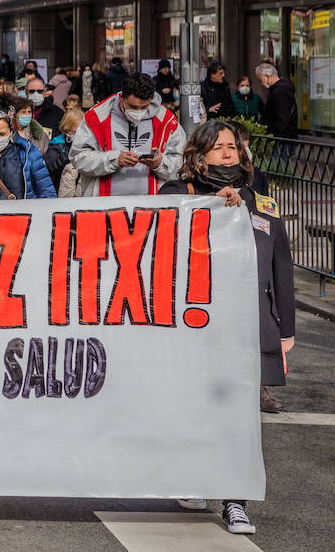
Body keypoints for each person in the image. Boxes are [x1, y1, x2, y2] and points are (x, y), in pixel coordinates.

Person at [160, 120, 294, 535]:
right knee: (197, 409)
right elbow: (157, 244)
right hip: (194, 326)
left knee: (241, 418)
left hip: (249, 325)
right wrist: (208, 208)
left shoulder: (261, 201)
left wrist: (285, 328)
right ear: (197, 155)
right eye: (218, 148)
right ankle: (197, 478)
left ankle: (235, 500)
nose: (227, 154)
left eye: (232, 147)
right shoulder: (175, 194)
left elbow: (281, 265)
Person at [70, 71, 184, 197]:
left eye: (144, 107)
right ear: (121, 98)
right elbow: (78, 157)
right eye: (133, 107)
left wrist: (160, 163)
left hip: (152, 208)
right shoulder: (97, 117)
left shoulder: (167, 121)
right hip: (104, 206)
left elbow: (181, 163)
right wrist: (115, 160)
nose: (138, 112)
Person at [0, 95, 57, 201]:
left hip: (21, 216)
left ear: (11, 131)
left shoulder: (27, 152)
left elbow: (47, 192)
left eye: (1, 134)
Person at [44, 109, 84, 195]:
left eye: (82, 131)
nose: (79, 134)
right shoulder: (57, 143)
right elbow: (49, 167)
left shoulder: (87, 142)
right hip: (61, 190)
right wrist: (67, 155)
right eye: (75, 132)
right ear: (67, 129)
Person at [255, 62, 298, 139]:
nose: (261, 83)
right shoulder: (280, 89)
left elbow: (283, 117)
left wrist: (274, 134)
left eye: (260, 80)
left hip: (282, 139)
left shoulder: (280, 91)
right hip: (284, 137)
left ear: (267, 76)